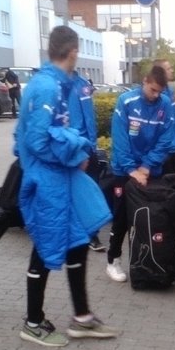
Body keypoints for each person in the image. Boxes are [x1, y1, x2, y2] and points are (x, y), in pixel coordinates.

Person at [15, 25, 119, 346]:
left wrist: (72, 150)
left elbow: (28, 138)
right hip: (49, 182)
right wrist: (73, 155)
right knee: (45, 249)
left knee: (76, 241)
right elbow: (35, 140)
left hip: (57, 179)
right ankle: (32, 323)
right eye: (78, 53)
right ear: (72, 51)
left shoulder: (53, 84)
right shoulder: (48, 88)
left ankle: (83, 318)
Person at [105, 65, 175, 282]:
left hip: (149, 171)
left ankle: (146, 259)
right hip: (124, 170)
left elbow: (165, 140)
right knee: (121, 217)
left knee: (147, 216)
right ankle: (113, 260)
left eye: (159, 91)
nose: (156, 95)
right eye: (153, 90)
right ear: (145, 82)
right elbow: (120, 140)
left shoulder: (164, 104)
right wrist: (131, 169)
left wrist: (146, 167)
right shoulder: (126, 102)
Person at [69, 69, 105, 252]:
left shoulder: (80, 85)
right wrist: (91, 145)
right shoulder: (80, 85)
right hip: (77, 145)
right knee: (87, 188)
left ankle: (88, 234)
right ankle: (89, 234)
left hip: (74, 145)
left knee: (81, 187)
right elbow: (88, 118)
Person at [154, 59, 175, 174]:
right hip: (164, 152)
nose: (172, 71)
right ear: (160, 72)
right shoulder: (156, 95)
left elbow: (174, 120)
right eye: (168, 69)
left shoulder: (169, 91)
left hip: (174, 149)